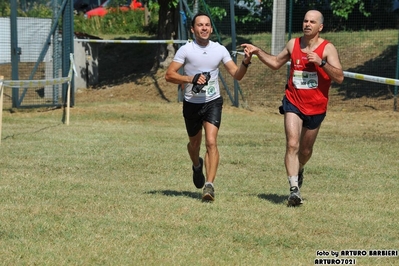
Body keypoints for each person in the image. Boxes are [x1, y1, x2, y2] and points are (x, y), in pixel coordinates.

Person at [242, 10, 344, 206]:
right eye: (305, 20)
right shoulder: (293, 44)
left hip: (316, 107)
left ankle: (300, 169)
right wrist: (257, 51)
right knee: (292, 144)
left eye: (312, 22)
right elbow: (275, 63)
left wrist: (321, 63)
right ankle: (294, 190)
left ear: (320, 27)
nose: (307, 24)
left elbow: (339, 77)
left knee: (305, 151)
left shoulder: (327, 48)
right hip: (293, 102)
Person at [165, 12, 252, 201]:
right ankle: (197, 165)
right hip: (191, 104)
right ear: (193, 29)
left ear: (211, 29)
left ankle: (209, 186)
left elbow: (237, 75)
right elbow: (169, 75)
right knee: (194, 144)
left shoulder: (219, 50)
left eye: (207, 25)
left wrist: (246, 61)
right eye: (199, 25)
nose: (204, 28)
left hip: (213, 102)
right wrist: (190, 78)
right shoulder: (186, 50)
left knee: (211, 142)